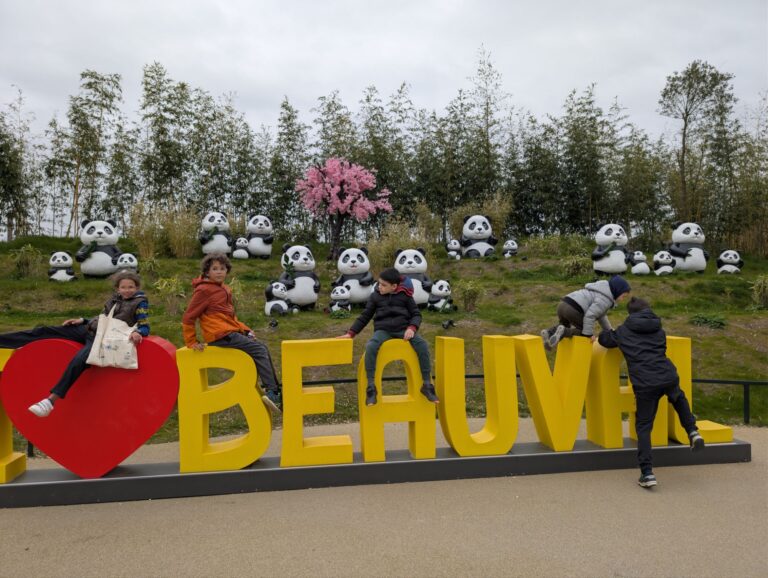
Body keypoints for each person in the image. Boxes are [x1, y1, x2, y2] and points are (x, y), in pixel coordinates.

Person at [0, 271, 150, 417]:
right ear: (117, 288)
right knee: (45, 331)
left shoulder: (140, 303)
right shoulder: (115, 298)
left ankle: (50, 401)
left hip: (102, 340)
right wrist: (83, 320)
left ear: (137, 287)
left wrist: (138, 332)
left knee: (79, 360)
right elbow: (103, 318)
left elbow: (145, 326)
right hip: (88, 330)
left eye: (131, 287)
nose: (127, 290)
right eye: (123, 287)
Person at [598, 297, 705, 488]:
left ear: (630, 313)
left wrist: (607, 331)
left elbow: (605, 340)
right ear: (648, 310)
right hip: (667, 375)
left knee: (644, 426)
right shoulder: (659, 330)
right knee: (678, 397)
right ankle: (692, 430)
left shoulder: (623, 331)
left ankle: (647, 473)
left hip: (645, 383)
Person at [182, 253, 282, 414]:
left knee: (261, 347)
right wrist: (191, 341)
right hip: (219, 335)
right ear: (207, 272)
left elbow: (229, 317)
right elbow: (188, 317)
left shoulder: (223, 289)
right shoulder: (203, 291)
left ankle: (273, 390)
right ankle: (273, 392)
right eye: (215, 269)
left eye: (222, 268)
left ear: (227, 271)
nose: (219, 272)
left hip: (228, 332)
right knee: (259, 350)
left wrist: (245, 330)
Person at [338, 267, 439, 407]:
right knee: (371, 346)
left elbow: (416, 314)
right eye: (379, 283)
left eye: (384, 285)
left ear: (394, 286)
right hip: (383, 330)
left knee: (422, 344)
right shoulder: (375, 296)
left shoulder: (405, 296)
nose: (379, 287)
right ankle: (371, 387)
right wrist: (351, 333)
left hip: (403, 330)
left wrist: (412, 328)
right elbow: (365, 316)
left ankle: (427, 385)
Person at [541, 275, 631, 350]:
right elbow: (590, 316)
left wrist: (610, 330)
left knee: (563, 325)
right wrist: (588, 335)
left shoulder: (599, 290)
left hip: (563, 304)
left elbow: (601, 316)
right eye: (623, 296)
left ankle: (548, 333)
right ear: (617, 291)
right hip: (574, 308)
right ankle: (564, 332)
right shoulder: (605, 299)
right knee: (582, 332)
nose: (623, 299)